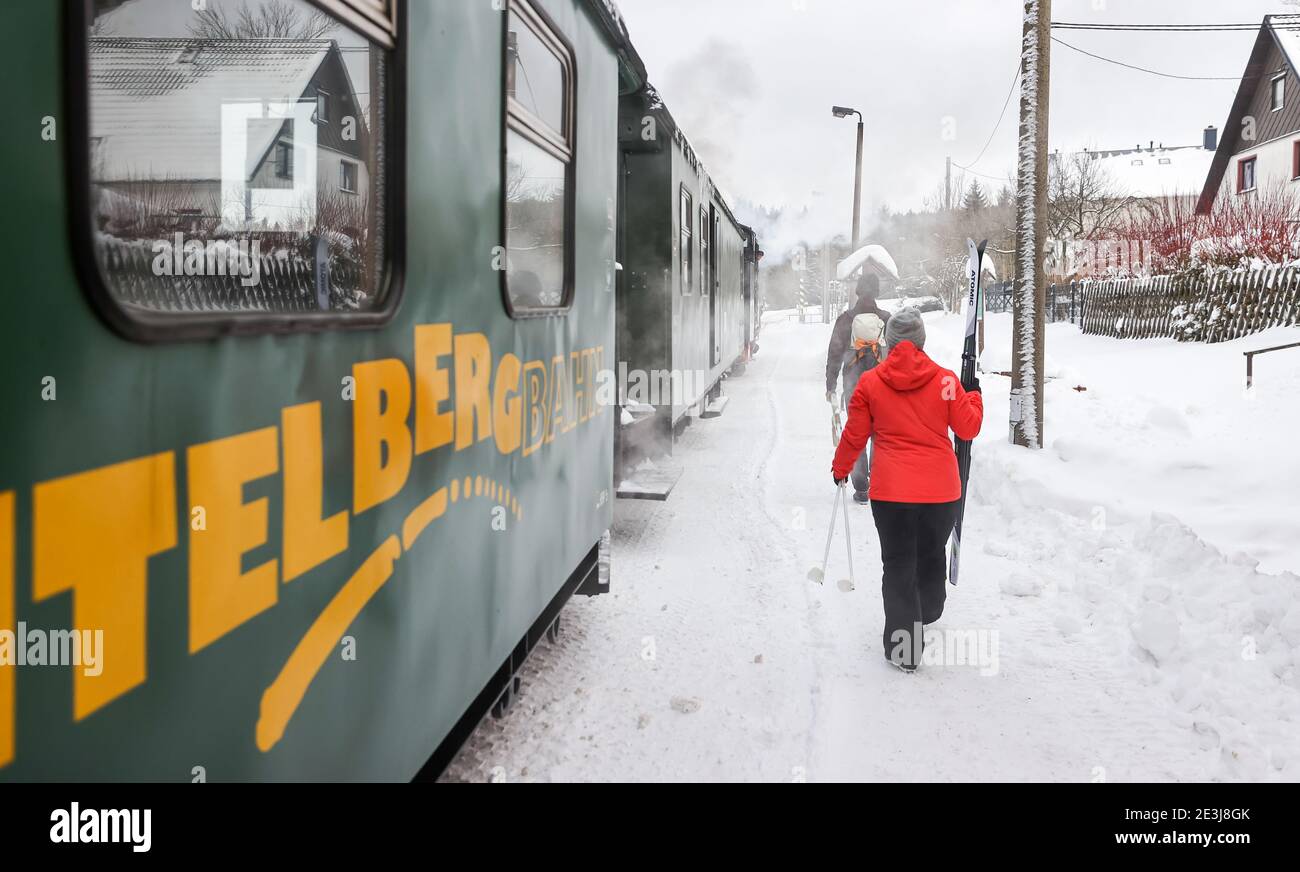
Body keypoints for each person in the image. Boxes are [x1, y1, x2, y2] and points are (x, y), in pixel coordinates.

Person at [830, 307, 983, 673]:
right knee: (930, 553)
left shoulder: (871, 383)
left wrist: (840, 469)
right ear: (922, 341)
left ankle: (904, 650)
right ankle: (927, 608)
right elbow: (969, 428)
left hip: (892, 495)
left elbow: (855, 435)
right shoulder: (946, 380)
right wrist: (973, 395)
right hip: (940, 494)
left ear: (890, 342)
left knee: (898, 564)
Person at [824, 272, 891, 503]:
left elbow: (834, 354)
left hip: (855, 386)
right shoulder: (887, 318)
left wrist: (830, 385)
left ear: (858, 291)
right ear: (878, 292)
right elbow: (895, 353)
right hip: (883, 386)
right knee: (879, 434)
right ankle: (879, 485)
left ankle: (862, 488)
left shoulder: (846, 319)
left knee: (857, 432)